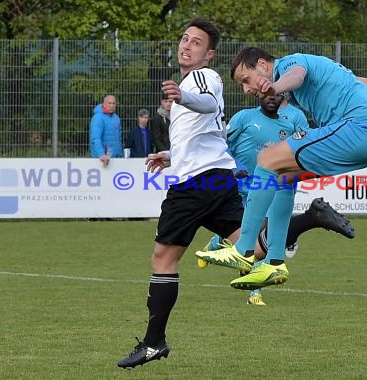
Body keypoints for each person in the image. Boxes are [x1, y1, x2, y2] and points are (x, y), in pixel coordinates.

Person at [196, 47, 367, 291]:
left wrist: (274, 86)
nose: (246, 89)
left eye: (246, 79)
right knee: (285, 176)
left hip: (359, 128)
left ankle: (242, 250)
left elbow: (296, 75)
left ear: (263, 64)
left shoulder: (292, 63)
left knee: (267, 158)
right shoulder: (326, 70)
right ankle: (274, 263)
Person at [116, 18, 243, 369]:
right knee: (255, 244)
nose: (186, 45)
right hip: (216, 177)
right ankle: (312, 217)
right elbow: (209, 130)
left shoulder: (202, 79)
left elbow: (203, 103)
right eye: (184, 39)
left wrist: (182, 94)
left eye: (196, 42)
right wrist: (170, 155)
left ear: (209, 54)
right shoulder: (195, 84)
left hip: (194, 185)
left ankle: (155, 342)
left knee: (163, 258)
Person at [201, 94, 355, 306]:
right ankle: (228, 251)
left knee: (262, 236)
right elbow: (222, 145)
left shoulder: (295, 118)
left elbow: (304, 149)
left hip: (277, 187)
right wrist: (236, 167)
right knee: (254, 240)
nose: (271, 95)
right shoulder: (244, 117)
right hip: (245, 188)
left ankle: (249, 282)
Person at [89, 94, 123, 166]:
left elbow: (119, 138)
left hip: (115, 158)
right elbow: (95, 138)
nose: (112, 105)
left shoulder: (116, 118)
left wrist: (120, 154)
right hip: (101, 159)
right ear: (104, 104)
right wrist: (101, 154)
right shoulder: (98, 118)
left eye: (113, 103)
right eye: (109, 103)